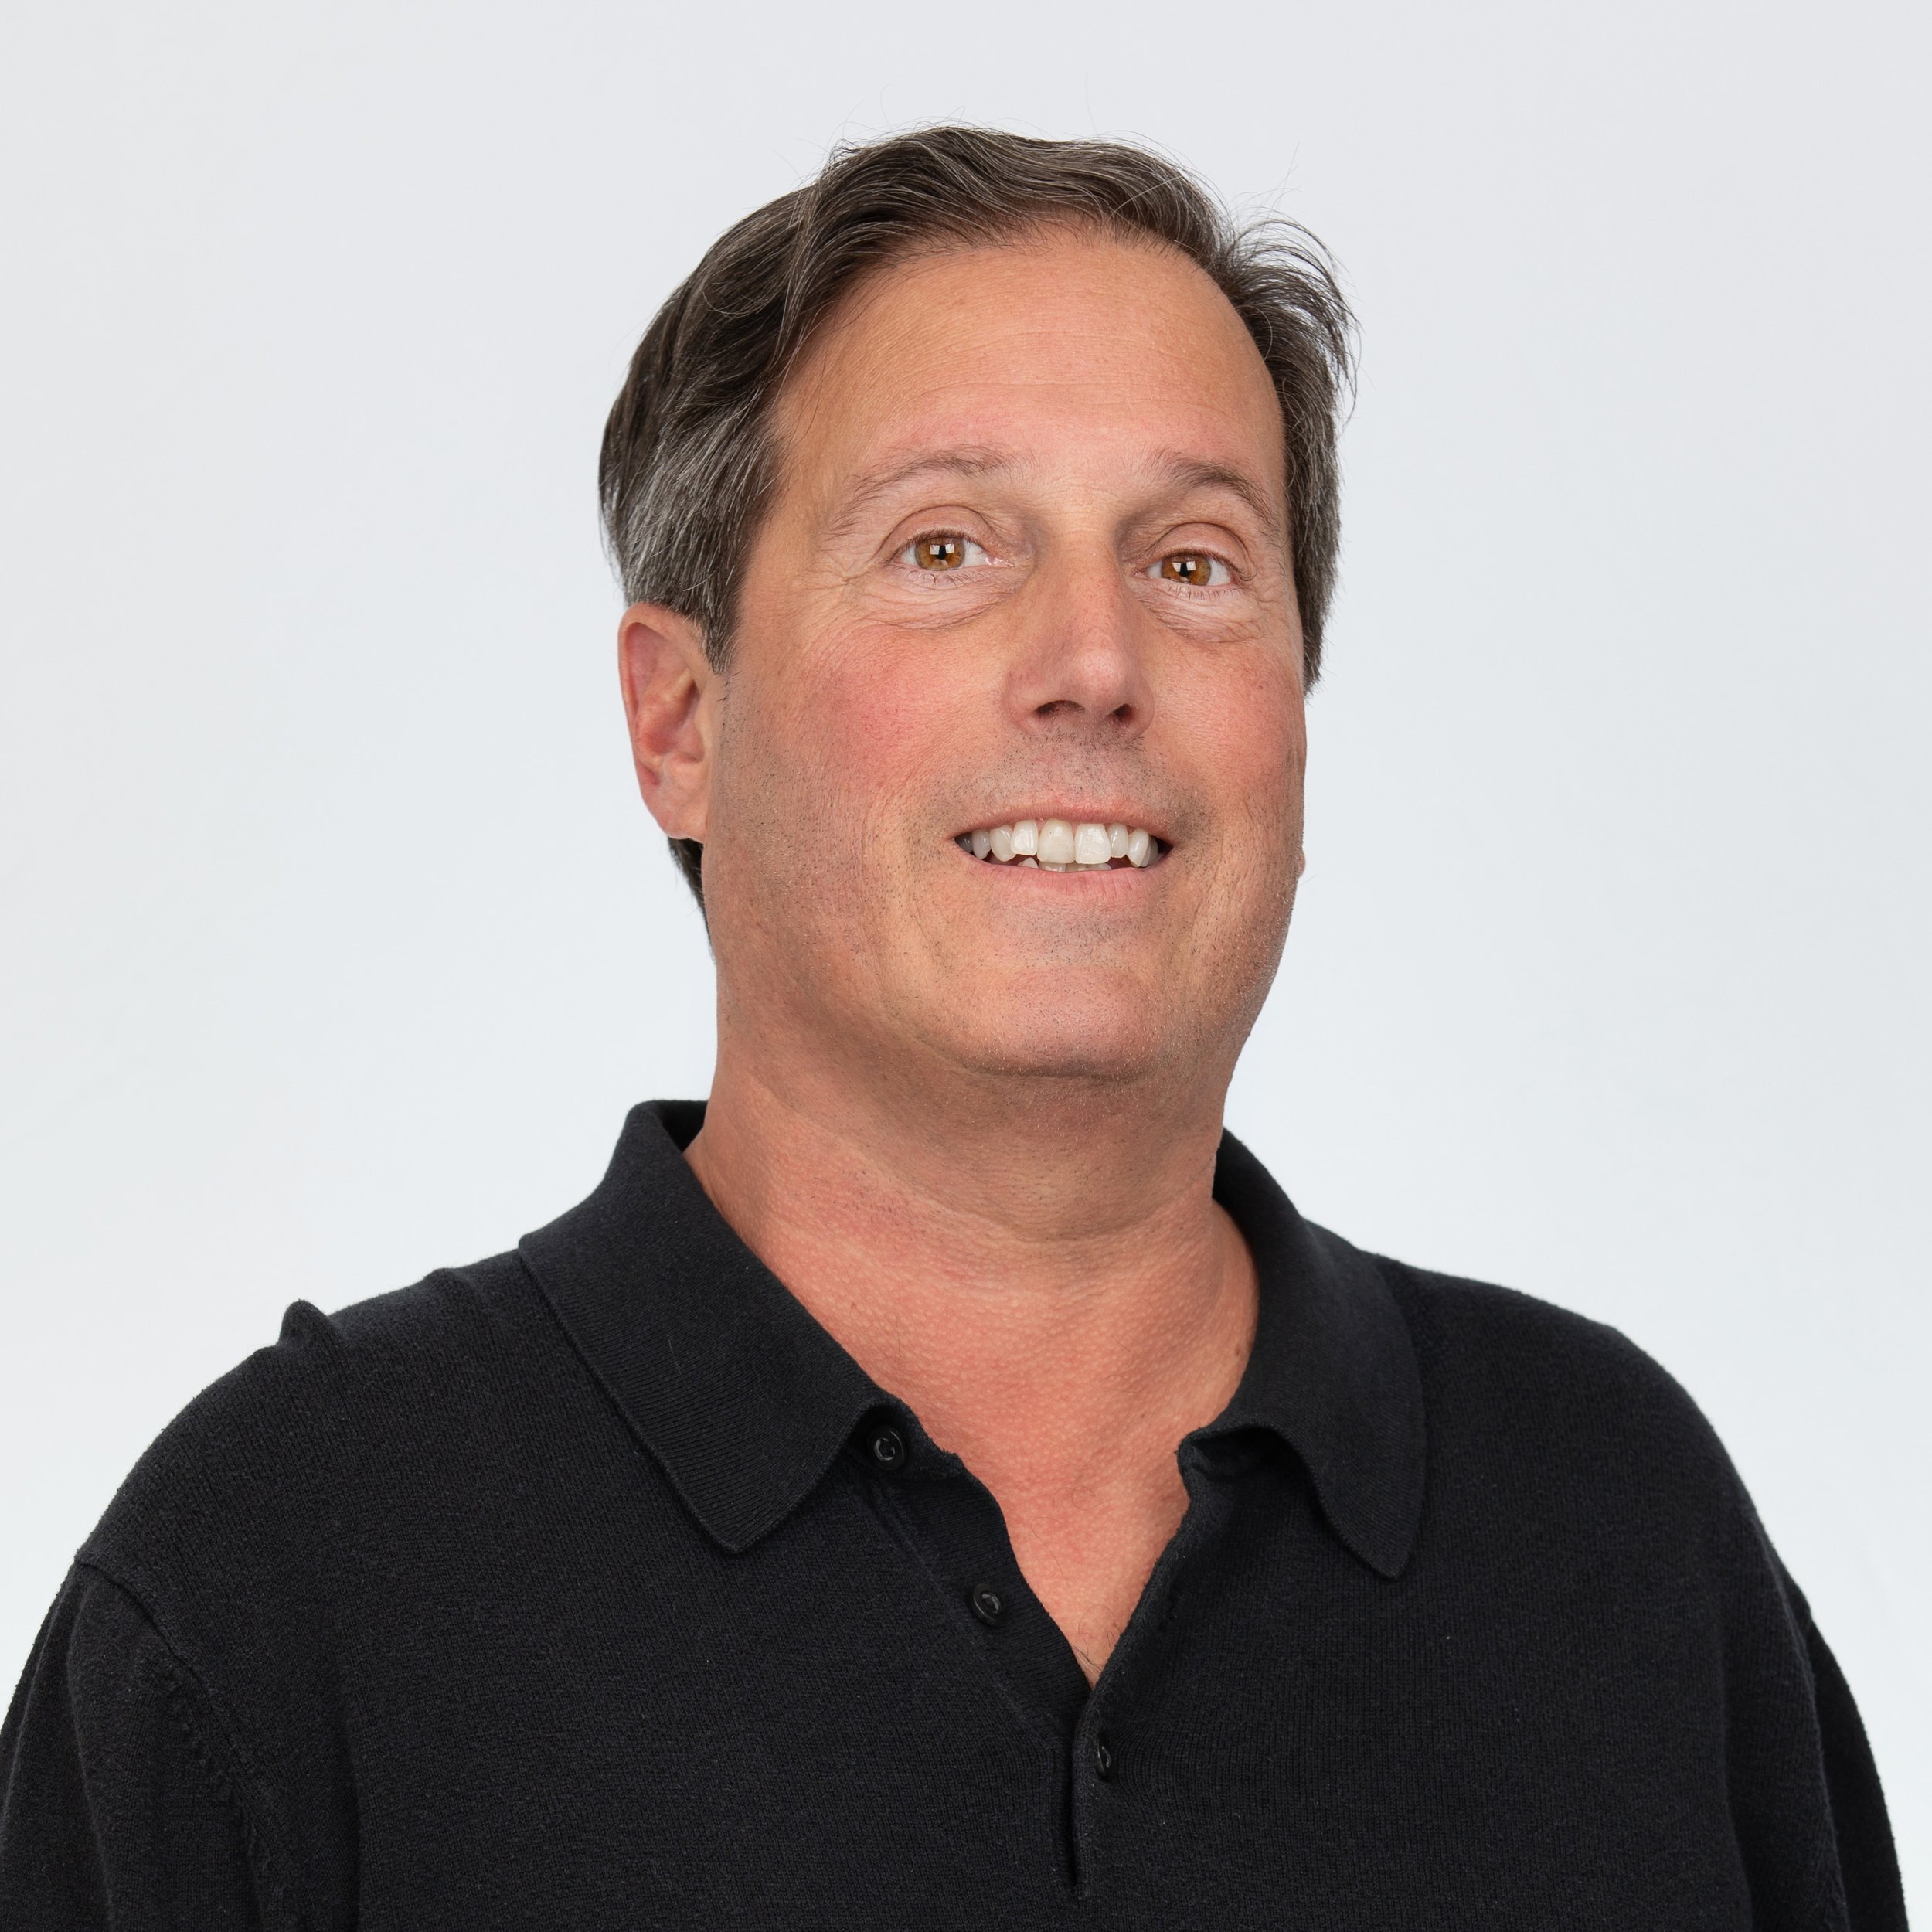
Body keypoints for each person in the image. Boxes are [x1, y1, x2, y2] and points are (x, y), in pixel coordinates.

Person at [0, 127, 1906, 1929]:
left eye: (1191, 562)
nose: (1094, 661)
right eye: (944, 546)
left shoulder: (1616, 1532)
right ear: (679, 722)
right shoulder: (277, 1589)